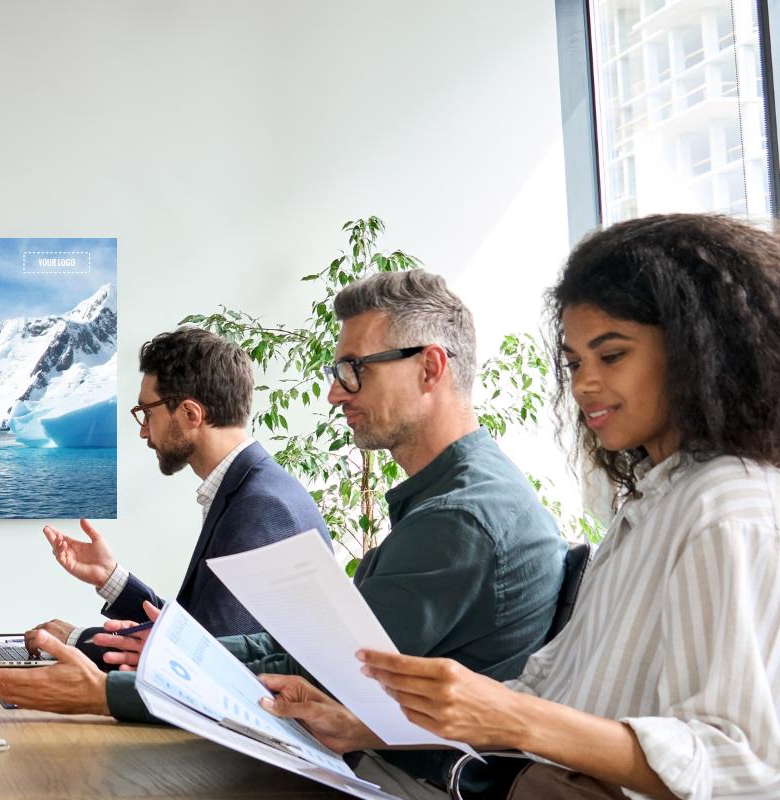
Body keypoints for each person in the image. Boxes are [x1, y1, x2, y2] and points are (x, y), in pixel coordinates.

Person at [0, 270, 566, 788]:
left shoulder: (459, 519)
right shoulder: (452, 501)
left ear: (430, 367)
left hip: (400, 780)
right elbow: (308, 652)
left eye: (353, 370)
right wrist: (143, 643)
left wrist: (110, 690)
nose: (335, 392)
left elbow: (321, 671)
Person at [263, 214, 780, 799]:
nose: (584, 385)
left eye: (611, 356)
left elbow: (739, 765)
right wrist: (365, 725)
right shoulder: (654, 500)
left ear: (699, 353)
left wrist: (507, 717)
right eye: (575, 362)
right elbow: (546, 699)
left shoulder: (727, 510)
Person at [25, 326, 329, 671]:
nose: (143, 431)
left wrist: (75, 640)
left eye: (147, 413)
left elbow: (204, 661)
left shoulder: (261, 506)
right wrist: (109, 577)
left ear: (190, 414)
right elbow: (198, 632)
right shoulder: (253, 488)